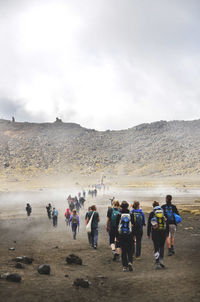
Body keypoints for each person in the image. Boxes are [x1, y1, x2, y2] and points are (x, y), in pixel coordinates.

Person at [147, 201, 169, 269]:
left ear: (153, 207)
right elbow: (167, 223)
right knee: (162, 246)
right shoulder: (164, 213)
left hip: (155, 232)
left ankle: (157, 262)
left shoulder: (152, 213)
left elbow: (149, 225)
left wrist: (148, 233)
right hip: (163, 232)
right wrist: (167, 233)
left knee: (156, 247)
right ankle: (161, 260)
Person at [116, 201, 134, 272]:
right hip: (129, 234)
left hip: (121, 235)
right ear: (127, 206)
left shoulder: (119, 214)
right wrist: (134, 235)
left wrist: (117, 236)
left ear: (121, 206)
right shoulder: (131, 214)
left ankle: (124, 266)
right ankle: (130, 262)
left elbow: (117, 225)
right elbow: (133, 225)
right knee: (130, 249)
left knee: (123, 250)